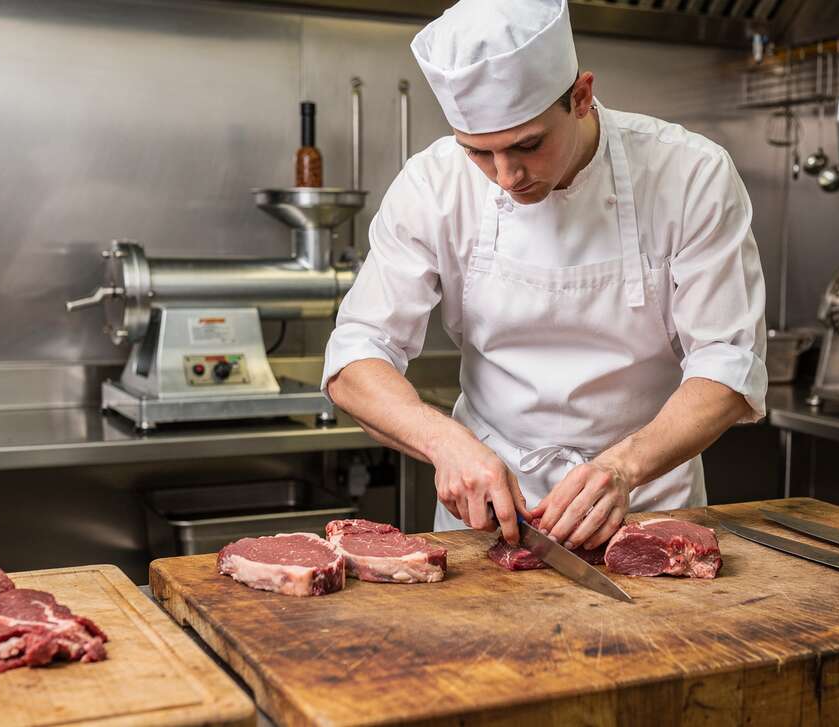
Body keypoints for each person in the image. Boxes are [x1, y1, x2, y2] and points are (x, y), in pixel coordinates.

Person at [322, 0, 767, 552]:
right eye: (479, 153)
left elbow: (728, 362)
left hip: (646, 505)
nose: (507, 176)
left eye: (527, 144)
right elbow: (357, 355)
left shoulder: (689, 173)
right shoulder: (432, 184)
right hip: (485, 514)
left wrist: (624, 468)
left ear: (581, 97)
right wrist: (444, 442)